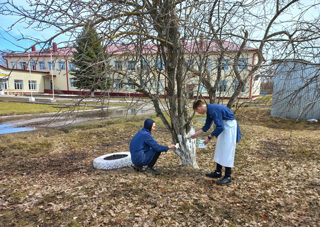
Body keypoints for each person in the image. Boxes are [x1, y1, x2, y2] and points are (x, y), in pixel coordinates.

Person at [191, 100, 241, 185]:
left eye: (197, 111)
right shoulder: (209, 110)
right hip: (224, 127)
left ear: (199, 108)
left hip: (229, 127)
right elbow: (207, 126)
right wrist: (195, 135)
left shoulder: (213, 110)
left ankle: (228, 177)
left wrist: (209, 137)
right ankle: (218, 172)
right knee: (220, 149)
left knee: (227, 151)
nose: (198, 113)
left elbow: (220, 127)